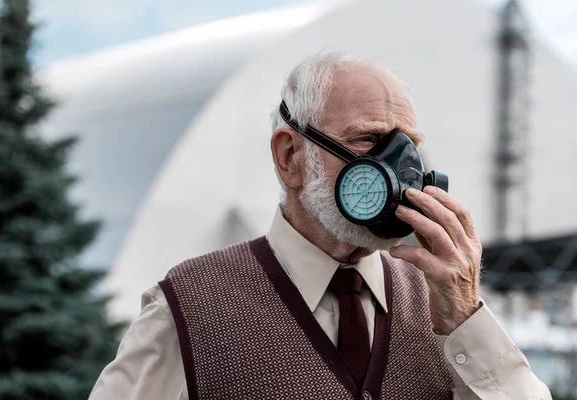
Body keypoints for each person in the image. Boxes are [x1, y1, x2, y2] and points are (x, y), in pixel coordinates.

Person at [89, 53, 551, 399]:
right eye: (368, 139)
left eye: (407, 144)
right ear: (290, 156)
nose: (401, 167)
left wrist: (466, 320)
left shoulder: (442, 305)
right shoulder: (188, 306)